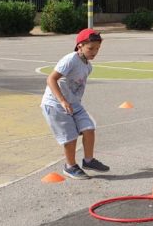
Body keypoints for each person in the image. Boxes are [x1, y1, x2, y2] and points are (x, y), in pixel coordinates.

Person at [41, 28, 110, 179]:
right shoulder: (70, 60)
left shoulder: (88, 66)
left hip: (73, 104)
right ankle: (70, 166)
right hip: (55, 104)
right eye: (91, 48)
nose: (94, 52)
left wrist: (71, 102)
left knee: (89, 128)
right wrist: (62, 100)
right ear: (80, 46)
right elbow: (51, 79)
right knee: (70, 137)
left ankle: (88, 160)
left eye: (97, 49)